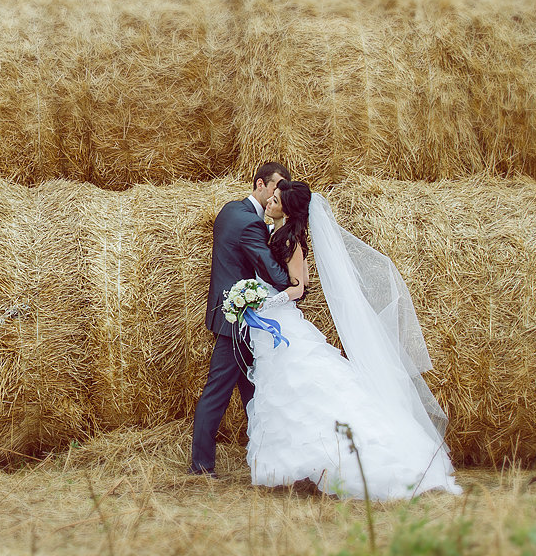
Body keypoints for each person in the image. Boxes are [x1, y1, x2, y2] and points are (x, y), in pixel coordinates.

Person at [245, 180, 460, 499]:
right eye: (271, 198)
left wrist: (269, 301)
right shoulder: (278, 235)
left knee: (300, 386)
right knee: (283, 389)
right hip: (273, 323)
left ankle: (355, 460)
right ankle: (290, 463)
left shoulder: (292, 242)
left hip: (282, 320)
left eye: (275, 200)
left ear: (287, 210)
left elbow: (298, 287)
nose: (270, 203)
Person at [189, 162, 293, 476]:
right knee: (218, 393)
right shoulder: (252, 224)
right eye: (275, 187)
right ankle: (202, 466)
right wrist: (294, 279)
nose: (278, 194)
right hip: (239, 322)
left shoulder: (229, 210)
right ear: (260, 184)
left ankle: (267, 460)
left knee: (254, 391)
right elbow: (269, 272)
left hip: (230, 317)